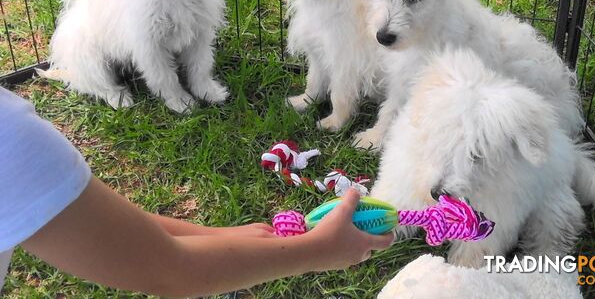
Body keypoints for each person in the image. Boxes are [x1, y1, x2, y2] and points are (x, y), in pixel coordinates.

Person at [0, 86, 392, 297]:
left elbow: (96, 225)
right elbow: (167, 271)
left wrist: (220, 237)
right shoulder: (8, 135)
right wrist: (319, 250)